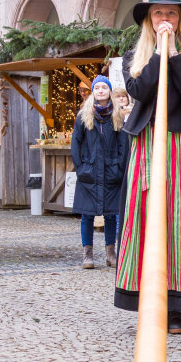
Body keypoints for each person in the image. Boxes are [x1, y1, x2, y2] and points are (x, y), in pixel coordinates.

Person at [115, 0, 181, 333]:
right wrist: (158, 54)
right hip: (147, 141)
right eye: (159, 14)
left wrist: (174, 54)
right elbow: (140, 91)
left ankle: (177, 305)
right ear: (150, 20)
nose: (165, 20)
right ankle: (146, 297)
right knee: (144, 216)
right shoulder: (134, 56)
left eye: (171, 15)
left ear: (180, 21)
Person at [72, 75, 129, 269]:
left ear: (109, 91)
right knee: (87, 215)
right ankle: (87, 254)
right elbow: (75, 144)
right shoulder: (83, 116)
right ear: (94, 92)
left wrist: (119, 168)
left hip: (111, 173)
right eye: (97, 88)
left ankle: (110, 253)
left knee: (111, 214)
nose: (101, 90)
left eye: (104, 87)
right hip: (89, 172)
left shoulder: (117, 116)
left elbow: (124, 144)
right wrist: (80, 168)